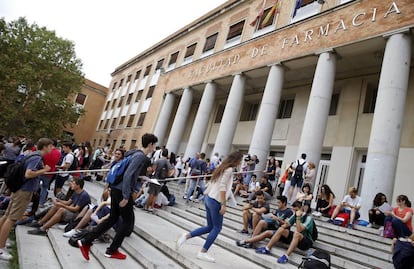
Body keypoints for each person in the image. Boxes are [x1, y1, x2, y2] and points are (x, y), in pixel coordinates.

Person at [78, 133, 157, 261]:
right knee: (127, 221)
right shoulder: (140, 157)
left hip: (116, 188)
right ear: (151, 144)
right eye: (154, 145)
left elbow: (129, 173)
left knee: (112, 218)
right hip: (122, 192)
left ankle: (87, 241)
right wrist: (126, 196)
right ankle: (112, 250)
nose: (155, 148)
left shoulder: (133, 153)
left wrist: (140, 178)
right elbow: (127, 175)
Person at [176, 151, 243, 263]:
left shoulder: (222, 167)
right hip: (216, 200)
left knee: (210, 227)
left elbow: (216, 183)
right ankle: (203, 252)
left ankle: (186, 236)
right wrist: (223, 204)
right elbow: (222, 187)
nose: (240, 163)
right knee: (217, 228)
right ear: (236, 160)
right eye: (240, 160)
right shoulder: (229, 169)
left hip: (209, 198)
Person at [0, 138, 53, 260]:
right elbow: (28, 174)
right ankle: (1, 249)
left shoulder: (32, 155)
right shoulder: (36, 157)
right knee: (12, 219)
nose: (52, 149)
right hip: (24, 191)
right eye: (50, 146)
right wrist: (44, 170)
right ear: (44, 146)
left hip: (19, 189)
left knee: (7, 215)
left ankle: (1, 242)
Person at [39, 139, 61, 207]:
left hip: (40, 170)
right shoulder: (58, 153)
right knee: (44, 187)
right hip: (50, 172)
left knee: (36, 185)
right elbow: (57, 162)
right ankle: (41, 202)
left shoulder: (45, 151)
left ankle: (33, 199)